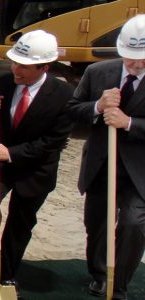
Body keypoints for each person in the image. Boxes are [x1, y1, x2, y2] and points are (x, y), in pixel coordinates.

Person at [0, 30, 74, 292]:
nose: (16, 70)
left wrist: (12, 153)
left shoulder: (63, 94)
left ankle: (8, 271)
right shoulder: (0, 82)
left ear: (44, 66)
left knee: (21, 220)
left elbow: (54, 141)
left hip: (35, 168)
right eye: (15, 63)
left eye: (24, 66)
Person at [68, 15, 145, 299]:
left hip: (139, 170)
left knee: (134, 224)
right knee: (97, 222)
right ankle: (101, 274)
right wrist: (98, 106)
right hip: (102, 162)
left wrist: (128, 123)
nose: (136, 65)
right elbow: (73, 109)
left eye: (143, 59)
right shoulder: (98, 73)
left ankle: (120, 282)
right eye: (130, 58)